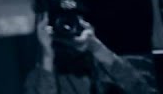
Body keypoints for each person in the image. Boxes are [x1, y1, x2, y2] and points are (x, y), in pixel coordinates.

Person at [22, 14, 158, 94]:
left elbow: (142, 90)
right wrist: (47, 55)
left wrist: (96, 47)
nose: (68, 29)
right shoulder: (38, 78)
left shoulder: (108, 71)